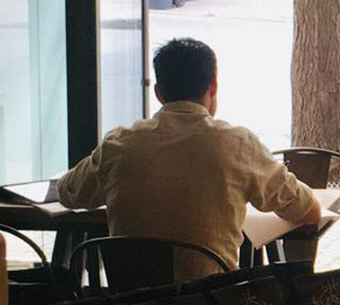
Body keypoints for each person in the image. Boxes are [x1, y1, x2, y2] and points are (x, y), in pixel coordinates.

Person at [58, 38, 320, 281]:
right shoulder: (237, 144)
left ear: (158, 92)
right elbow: (308, 210)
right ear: (213, 86)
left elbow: (68, 192)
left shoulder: (119, 144)